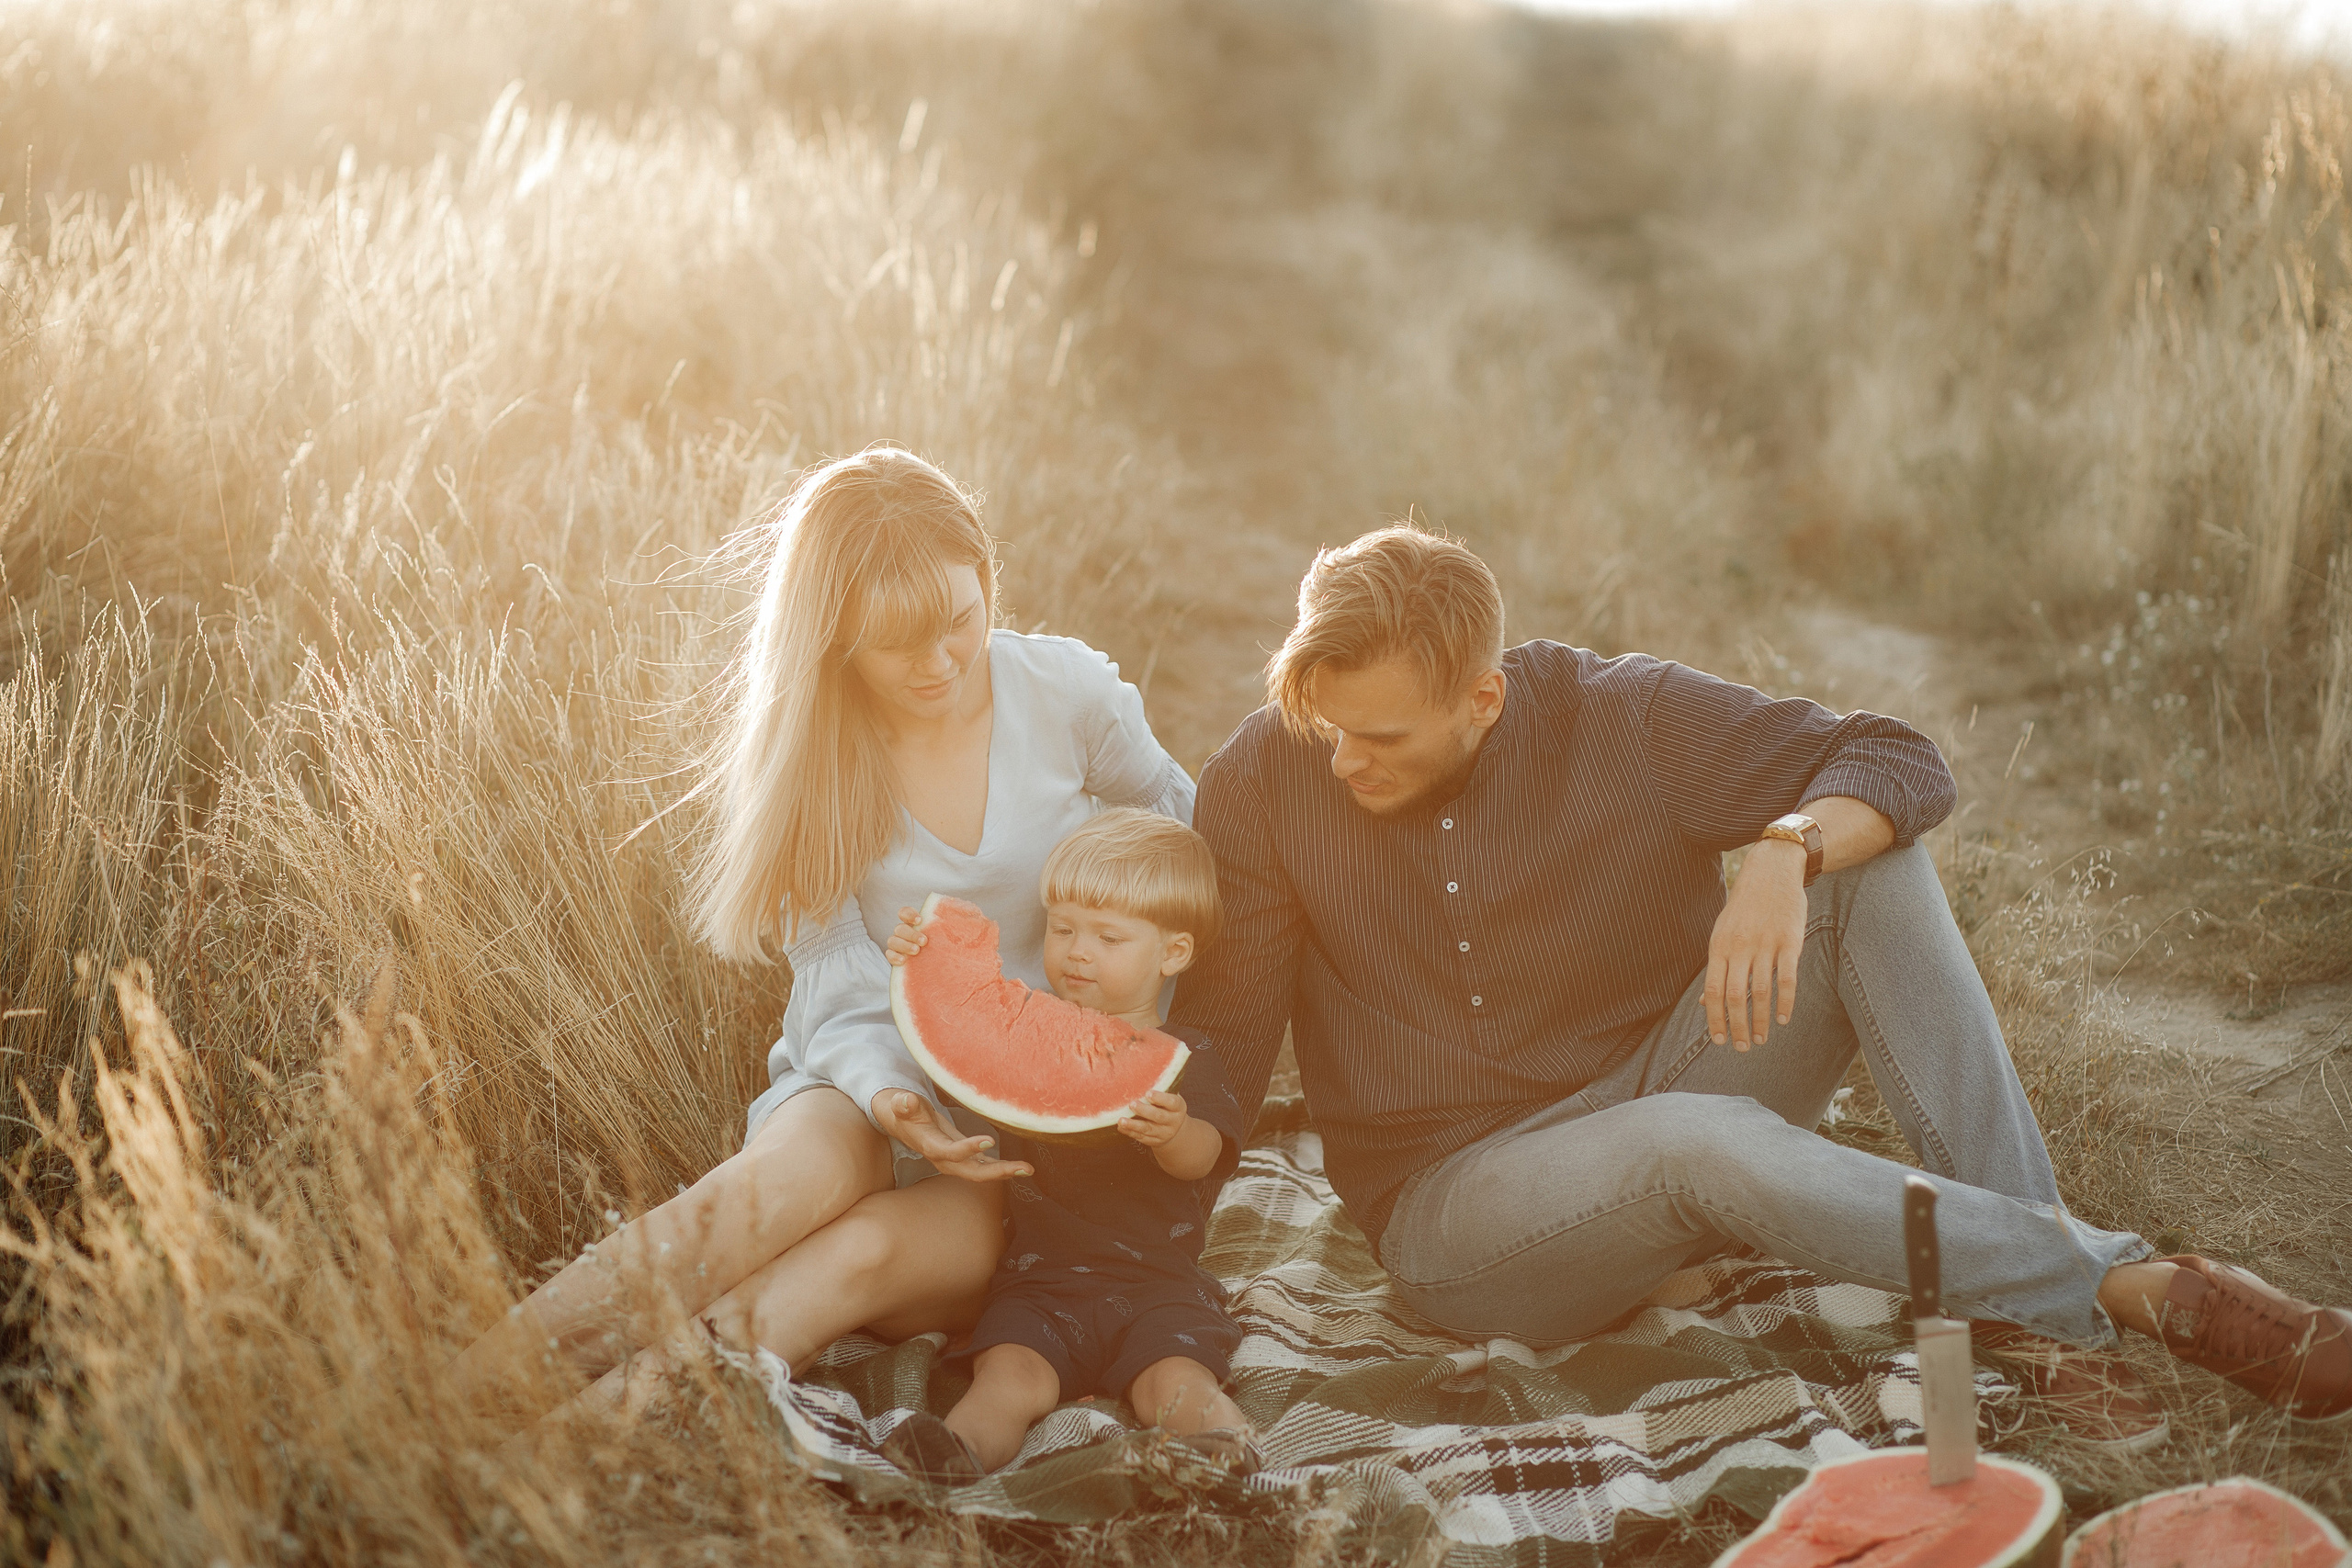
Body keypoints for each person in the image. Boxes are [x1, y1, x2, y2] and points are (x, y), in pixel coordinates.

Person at [1166, 523, 2352, 1451]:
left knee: (1866, 858)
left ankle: (2024, 1305)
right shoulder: (1264, 782)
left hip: (1660, 1079)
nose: (1343, 758)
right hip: (1461, 1209)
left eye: (1381, 736)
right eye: (1327, 725)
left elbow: (1897, 757)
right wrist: (1134, 1261)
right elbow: (1222, 1044)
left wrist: (1785, 850)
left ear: (1483, 699)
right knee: (1698, 1138)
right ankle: (2134, 1284)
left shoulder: (1619, 715)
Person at [448, 446, 1195, 1425]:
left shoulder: (1068, 695)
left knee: (858, 1253)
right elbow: (836, 973)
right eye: (897, 643)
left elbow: (1177, 836)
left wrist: (1137, 1009)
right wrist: (889, 1094)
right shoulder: (818, 752)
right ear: (834, 633)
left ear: (986, 577)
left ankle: (564, 1453)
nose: (939, 663)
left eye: (959, 621)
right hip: (858, 1067)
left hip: (1038, 1145)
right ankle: (451, 1407)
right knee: (763, 1195)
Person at [877, 808, 1253, 1482]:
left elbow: (1206, 1158)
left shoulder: (1186, 1057)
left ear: (1173, 953)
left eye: (1109, 936)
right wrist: (924, 960)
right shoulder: (1020, 1040)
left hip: (1158, 1284)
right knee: (1008, 1375)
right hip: (1038, 1284)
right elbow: (965, 1062)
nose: (1078, 951)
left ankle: (1223, 1446)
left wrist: (1176, 1134)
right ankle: (952, 1452)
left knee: (1171, 1378)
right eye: (1063, 928)